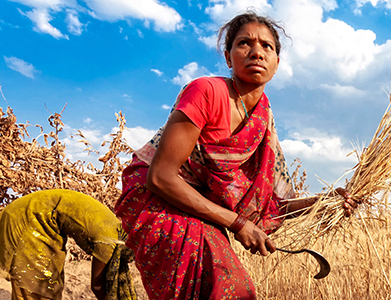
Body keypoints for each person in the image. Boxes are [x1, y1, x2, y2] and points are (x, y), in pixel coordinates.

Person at [114, 11, 358, 300]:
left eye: (267, 46)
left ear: (277, 63)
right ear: (229, 58)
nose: (257, 51)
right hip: (156, 198)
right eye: (245, 43)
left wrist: (324, 203)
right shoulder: (206, 92)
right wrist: (238, 224)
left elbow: (270, 206)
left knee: (230, 288)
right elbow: (160, 176)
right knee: (224, 286)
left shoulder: (262, 117)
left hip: (200, 206)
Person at [0, 189, 136, 300]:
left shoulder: (119, 229)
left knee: (52, 283)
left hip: (45, 220)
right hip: (29, 217)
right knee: (36, 282)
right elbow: (97, 286)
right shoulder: (110, 243)